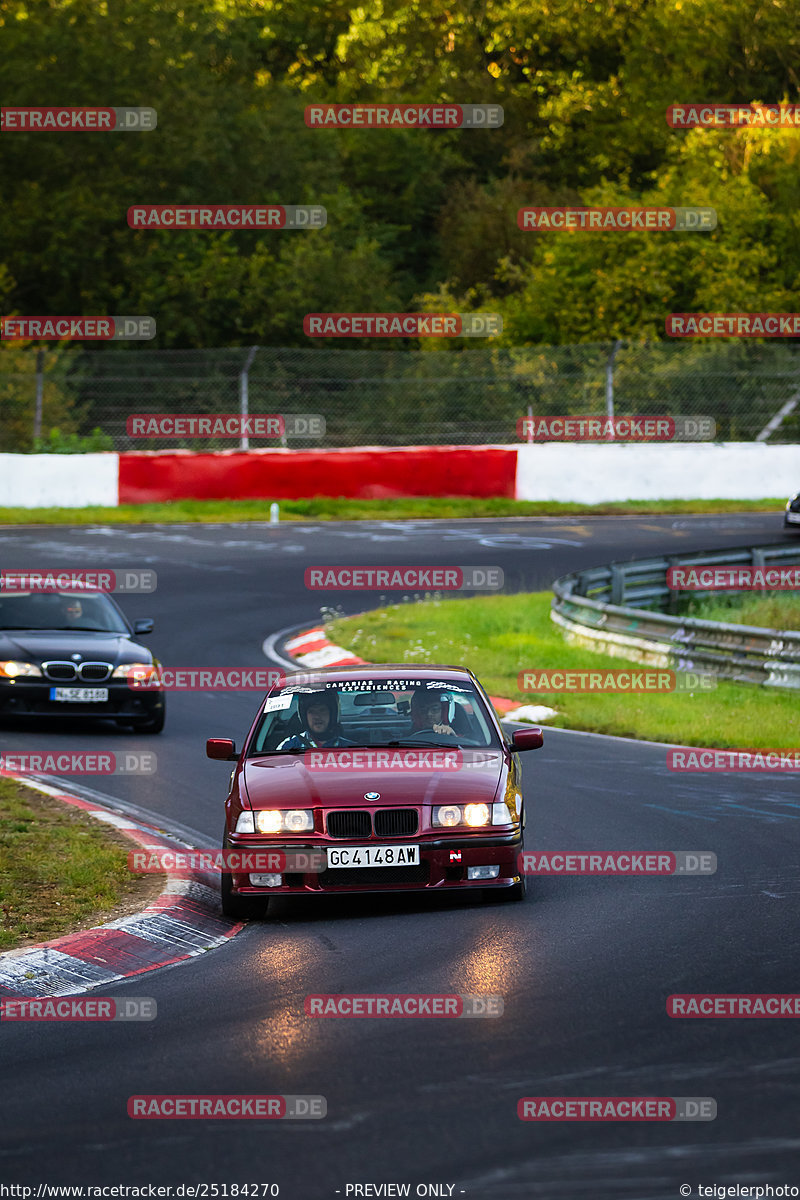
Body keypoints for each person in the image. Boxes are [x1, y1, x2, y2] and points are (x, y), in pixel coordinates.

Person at [277, 689, 353, 749]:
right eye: (312, 711)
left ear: (332, 714)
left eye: (322, 710)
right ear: (304, 716)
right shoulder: (287, 746)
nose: (317, 716)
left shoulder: (350, 748)